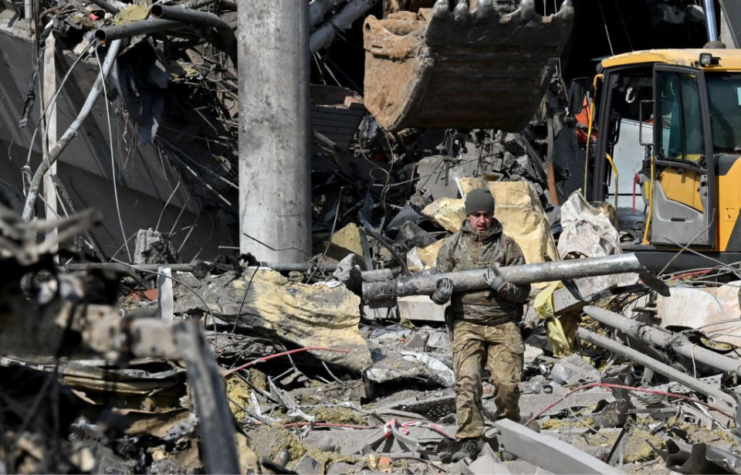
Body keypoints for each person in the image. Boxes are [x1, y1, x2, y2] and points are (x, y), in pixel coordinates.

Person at [431, 188, 530, 461]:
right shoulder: (451, 247)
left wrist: (503, 287)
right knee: (467, 381)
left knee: (507, 384)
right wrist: (439, 295)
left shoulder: (508, 247)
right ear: (468, 216)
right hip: (467, 323)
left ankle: (510, 433)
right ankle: (469, 439)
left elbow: (524, 291)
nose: (482, 220)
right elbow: (434, 288)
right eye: (477, 215)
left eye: (486, 215)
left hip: (503, 322)